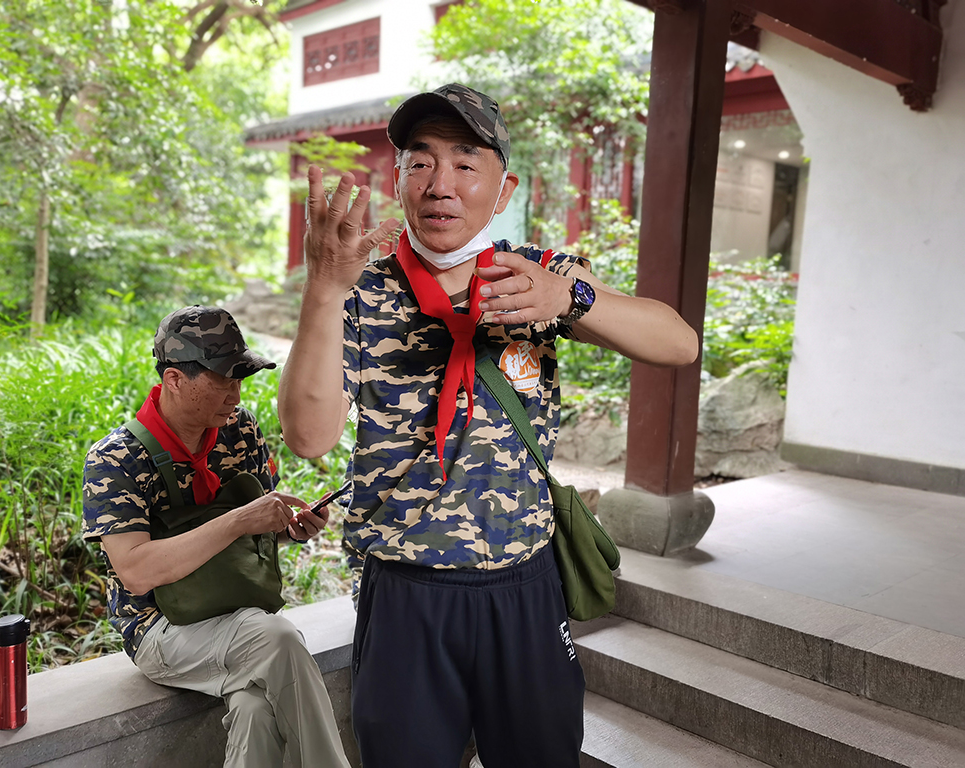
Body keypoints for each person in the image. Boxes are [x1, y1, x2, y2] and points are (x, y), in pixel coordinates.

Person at [278, 83, 699, 768]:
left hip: (524, 585)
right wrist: (323, 289)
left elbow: (678, 344)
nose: (440, 183)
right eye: (420, 162)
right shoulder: (361, 290)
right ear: (399, 180)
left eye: (466, 163)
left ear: (503, 192)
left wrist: (572, 296)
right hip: (406, 591)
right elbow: (308, 435)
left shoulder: (538, 275)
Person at [82, 305, 351, 768]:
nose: (235, 394)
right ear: (174, 379)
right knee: (279, 638)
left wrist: (289, 528)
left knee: (255, 708)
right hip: (162, 630)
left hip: (239, 613)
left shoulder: (239, 431)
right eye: (223, 380)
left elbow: (255, 534)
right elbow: (136, 572)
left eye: (240, 378)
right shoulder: (115, 460)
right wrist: (239, 520)